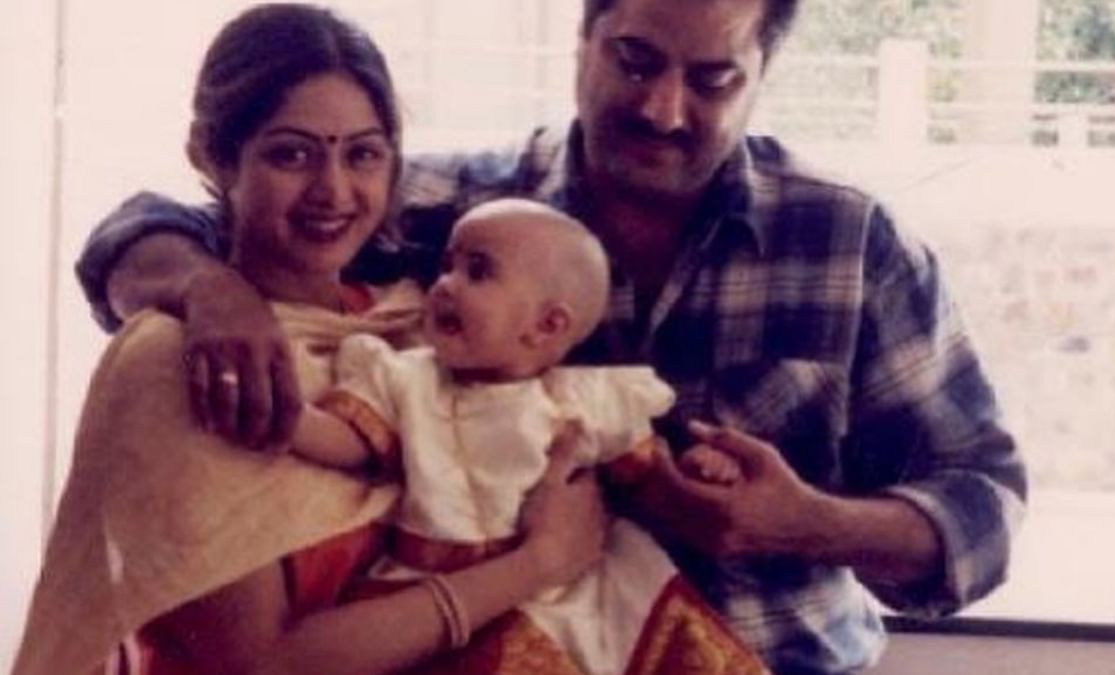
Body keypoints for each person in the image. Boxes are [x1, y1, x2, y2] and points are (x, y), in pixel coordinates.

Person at [75, 0, 1028, 671]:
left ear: (763, 73)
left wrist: (807, 522)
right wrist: (208, 288)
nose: (664, 108)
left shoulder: (854, 245)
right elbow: (200, 216)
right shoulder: (465, 213)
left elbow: (982, 501)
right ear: (582, 36)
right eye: (636, 59)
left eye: (713, 77)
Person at [16, 5, 608, 675]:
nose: (333, 191)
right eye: (291, 153)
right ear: (212, 156)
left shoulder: (412, 324)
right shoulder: (186, 362)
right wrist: (538, 562)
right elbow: (265, 662)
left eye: (363, 154)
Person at [290, 196, 765, 673]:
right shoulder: (405, 379)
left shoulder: (577, 402)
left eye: (476, 272)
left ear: (547, 325)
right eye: (446, 266)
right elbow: (350, 443)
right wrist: (285, 420)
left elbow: (642, 469)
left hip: (561, 593)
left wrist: (701, 466)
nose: (444, 286)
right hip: (429, 584)